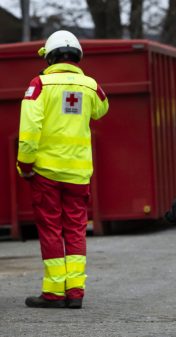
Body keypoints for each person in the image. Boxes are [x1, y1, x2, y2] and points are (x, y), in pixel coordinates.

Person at [17, 30, 109, 309]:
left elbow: (29, 129)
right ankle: (75, 292)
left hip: (46, 172)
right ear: (77, 56)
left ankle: (54, 293)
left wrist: (25, 163)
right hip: (78, 174)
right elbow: (102, 109)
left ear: (50, 57)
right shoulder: (90, 86)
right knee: (76, 230)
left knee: (50, 229)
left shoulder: (39, 85)